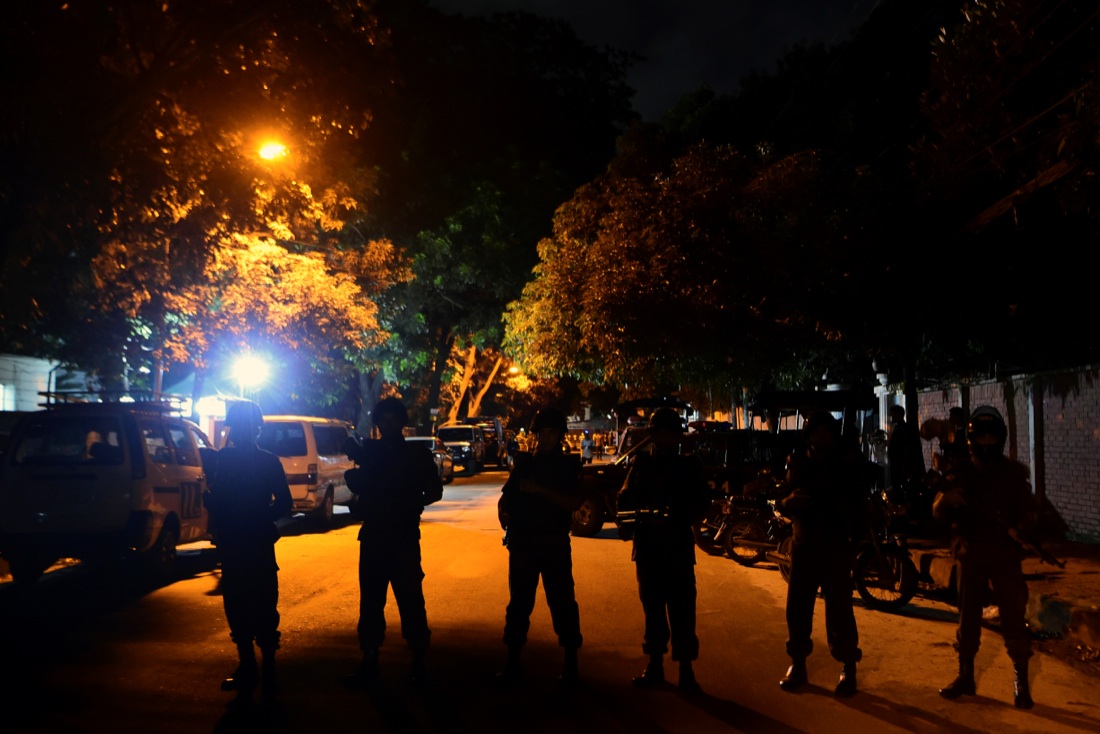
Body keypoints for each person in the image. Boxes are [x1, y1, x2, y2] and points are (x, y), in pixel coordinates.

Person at [932, 405, 1038, 709]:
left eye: (992, 438)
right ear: (972, 439)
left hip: (1005, 555)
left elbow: (1029, 512)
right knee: (968, 619)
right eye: (982, 438)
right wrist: (946, 499)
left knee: (1013, 618)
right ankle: (965, 676)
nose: (987, 442)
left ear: (1000, 439)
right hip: (971, 554)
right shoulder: (961, 471)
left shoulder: (1014, 473)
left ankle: (1021, 682)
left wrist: (1022, 529)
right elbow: (938, 512)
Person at [342, 397, 444, 688]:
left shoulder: (412, 455)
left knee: (410, 602)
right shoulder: (375, 453)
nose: (387, 425)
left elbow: (434, 491)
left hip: (400, 538)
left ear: (401, 423)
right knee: (373, 603)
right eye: (383, 420)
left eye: (392, 420)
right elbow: (358, 483)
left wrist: (410, 504)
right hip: (378, 536)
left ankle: (417, 662)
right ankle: (372, 660)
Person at [202, 399, 292, 702]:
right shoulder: (268, 461)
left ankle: (250, 667)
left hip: (237, 543)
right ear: (258, 430)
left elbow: (218, 498)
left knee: (239, 606)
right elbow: (284, 503)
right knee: (263, 605)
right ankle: (267, 671)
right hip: (257, 543)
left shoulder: (225, 460)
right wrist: (261, 518)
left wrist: (214, 503)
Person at [777, 412, 872, 697]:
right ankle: (798, 664)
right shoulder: (797, 462)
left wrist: (855, 542)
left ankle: (848, 668)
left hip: (835, 547)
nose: (821, 438)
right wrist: (789, 502)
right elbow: (782, 499)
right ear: (808, 436)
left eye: (826, 433)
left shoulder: (846, 465)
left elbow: (859, 505)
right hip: (804, 546)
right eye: (816, 433)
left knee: (840, 612)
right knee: (797, 609)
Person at [617, 407, 711, 693]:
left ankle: (686, 671)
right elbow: (625, 498)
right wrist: (629, 522)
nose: (667, 438)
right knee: (653, 610)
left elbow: (702, 503)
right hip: (648, 548)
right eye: (661, 432)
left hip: (677, 548)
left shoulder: (689, 465)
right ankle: (655, 665)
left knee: (683, 612)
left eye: (671, 432)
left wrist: (677, 515)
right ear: (653, 434)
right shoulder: (641, 463)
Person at [497, 407, 585, 684]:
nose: (545, 438)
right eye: (541, 433)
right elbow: (506, 497)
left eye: (551, 432)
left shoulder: (568, 466)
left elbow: (574, 502)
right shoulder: (525, 464)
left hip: (553, 542)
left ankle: (571, 665)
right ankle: (513, 662)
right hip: (523, 542)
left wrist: (541, 490)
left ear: (560, 435)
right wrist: (504, 514)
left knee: (562, 603)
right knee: (519, 604)